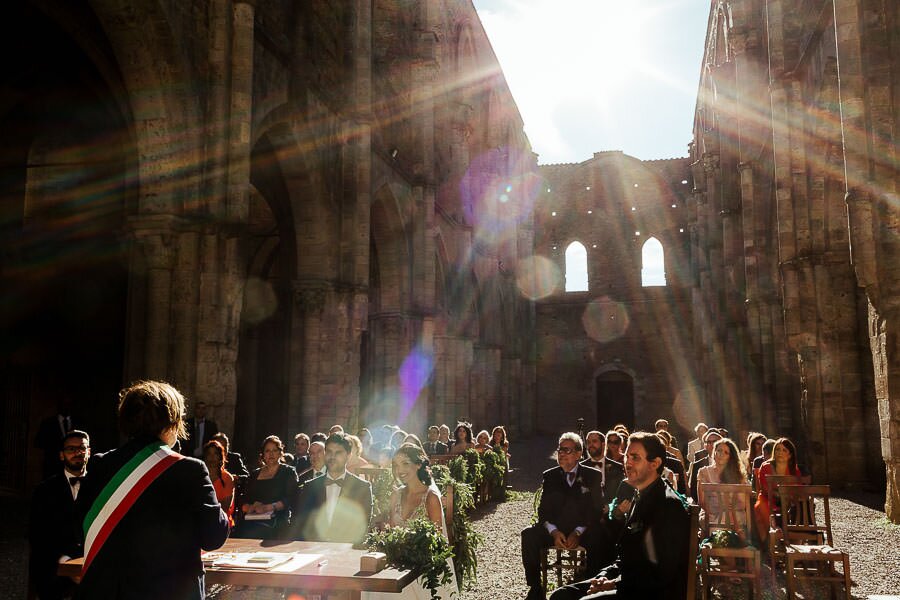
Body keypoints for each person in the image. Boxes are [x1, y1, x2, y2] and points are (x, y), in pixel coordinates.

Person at [75, 381, 228, 599]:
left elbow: (80, 526)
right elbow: (213, 537)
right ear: (171, 422)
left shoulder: (100, 465)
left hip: (110, 591)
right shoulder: (190, 470)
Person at [548, 432, 691, 600]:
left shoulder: (667, 504)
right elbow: (625, 556)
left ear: (655, 463)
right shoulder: (638, 494)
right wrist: (602, 577)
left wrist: (615, 583)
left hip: (651, 592)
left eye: (635, 458)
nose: (627, 463)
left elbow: (661, 572)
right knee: (561, 595)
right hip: (628, 580)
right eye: (627, 456)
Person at [363, 443, 457, 600]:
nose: (400, 470)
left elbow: (437, 540)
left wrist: (413, 553)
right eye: (396, 465)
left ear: (419, 464)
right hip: (397, 563)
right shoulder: (396, 495)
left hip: (424, 567)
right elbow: (392, 531)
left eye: (405, 463)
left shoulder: (431, 497)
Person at [522, 433, 606, 600]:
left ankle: (589, 586)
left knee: (600, 537)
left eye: (566, 450)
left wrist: (578, 532)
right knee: (528, 534)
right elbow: (543, 511)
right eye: (560, 449)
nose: (561, 453)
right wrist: (553, 531)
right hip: (557, 529)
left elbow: (596, 510)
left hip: (583, 529)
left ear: (578, 454)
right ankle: (536, 588)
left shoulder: (592, 476)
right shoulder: (550, 476)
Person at [29, 429, 90, 600]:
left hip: (91, 567)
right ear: (61, 455)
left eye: (82, 448)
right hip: (54, 566)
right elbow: (37, 535)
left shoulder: (99, 487)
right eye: (71, 449)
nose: (77, 452)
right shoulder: (44, 491)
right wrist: (66, 564)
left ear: (89, 452)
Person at [291, 432, 373, 543]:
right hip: (314, 549)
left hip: (345, 551)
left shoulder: (362, 487)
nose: (332, 457)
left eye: (338, 452)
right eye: (329, 452)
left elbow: (363, 527)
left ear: (348, 456)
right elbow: (301, 524)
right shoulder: (310, 486)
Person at [235, 435, 298, 539]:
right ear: (263, 454)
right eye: (267, 451)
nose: (271, 454)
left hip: (277, 521)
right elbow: (244, 499)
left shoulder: (288, 472)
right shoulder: (254, 474)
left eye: (275, 450)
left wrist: (269, 507)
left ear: (280, 453)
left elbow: (291, 498)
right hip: (252, 520)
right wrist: (249, 507)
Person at [753, 437, 802, 543]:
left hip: (788, 501)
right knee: (761, 508)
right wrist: (781, 494)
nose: (780, 452)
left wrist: (786, 497)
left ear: (790, 455)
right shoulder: (766, 467)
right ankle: (768, 543)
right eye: (778, 449)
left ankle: (795, 543)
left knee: (800, 509)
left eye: (784, 450)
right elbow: (765, 488)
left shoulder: (794, 469)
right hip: (768, 500)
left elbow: (797, 488)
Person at [696, 438, 748, 530]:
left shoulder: (738, 475)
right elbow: (702, 502)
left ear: (730, 457)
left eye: (726, 452)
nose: (721, 454)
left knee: (730, 518)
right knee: (717, 523)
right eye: (719, 450)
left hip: (734, 513)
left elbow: (742, 503)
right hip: (710, 513)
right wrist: (719, 509)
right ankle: (715, 540)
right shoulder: (704, 472)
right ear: (714, 453)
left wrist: (729, 509)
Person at [35, 397, 78, 480]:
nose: (66, 407)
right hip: (52, 466)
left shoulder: (78, 423)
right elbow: (39, 443)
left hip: (73, 467)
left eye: (69, 404)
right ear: (59, 406)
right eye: (64, 404)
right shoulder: (48, 423)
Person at [204, 440, 235, 527]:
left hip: (222, 522)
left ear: (220, 457)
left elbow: (225, 507)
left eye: (215, 454)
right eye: (209, 454)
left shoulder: (227, 478)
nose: (212, 457)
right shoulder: (200, 477)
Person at [688, 428, 723, 501]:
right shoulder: (698, 465)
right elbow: (693, 490)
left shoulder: (730, 463)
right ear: (705, 446)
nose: (712, 444)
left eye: (715, 441)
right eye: (709, 442)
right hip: (706, 505)